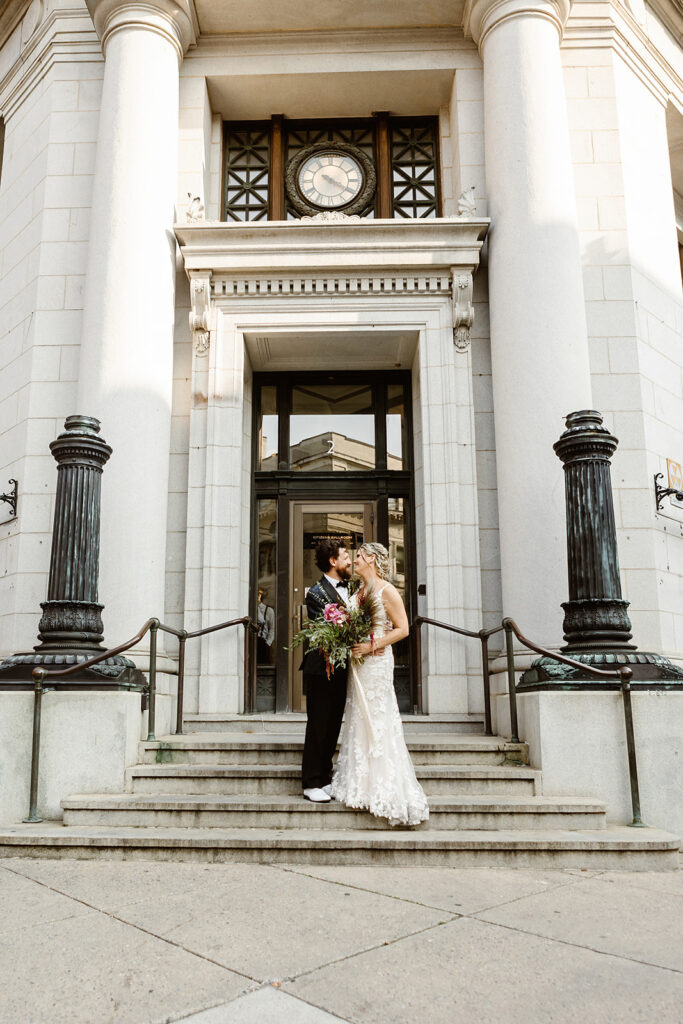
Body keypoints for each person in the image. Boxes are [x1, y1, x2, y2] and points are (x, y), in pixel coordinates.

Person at [331, 541, 429, 826]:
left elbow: (403, 629)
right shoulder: (358, 591)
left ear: (372, 559)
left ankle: (383, 788)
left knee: (377, 718)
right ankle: (358, 784)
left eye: (359, 556)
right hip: (358, 663)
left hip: (376, 662)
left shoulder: (388, 591)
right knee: (359, 717)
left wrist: (372, 645)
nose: (355, 561)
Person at [300, 538, 352, 803]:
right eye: (345, 556)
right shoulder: (315, 593)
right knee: (318, 724)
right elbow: (332, 629)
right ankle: (311, 782)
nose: (349, 560)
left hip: (342, 668)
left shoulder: (352, 589)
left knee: (333, 724)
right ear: (333, 562)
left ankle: (325, 777)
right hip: (321, 668)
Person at [256, 587, 275, 664]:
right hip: (250, 641)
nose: (258, 596)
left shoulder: (269, 610)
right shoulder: (248, 608)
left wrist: (268, 643)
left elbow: (272, 629)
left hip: (262, 643)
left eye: (260, 594)